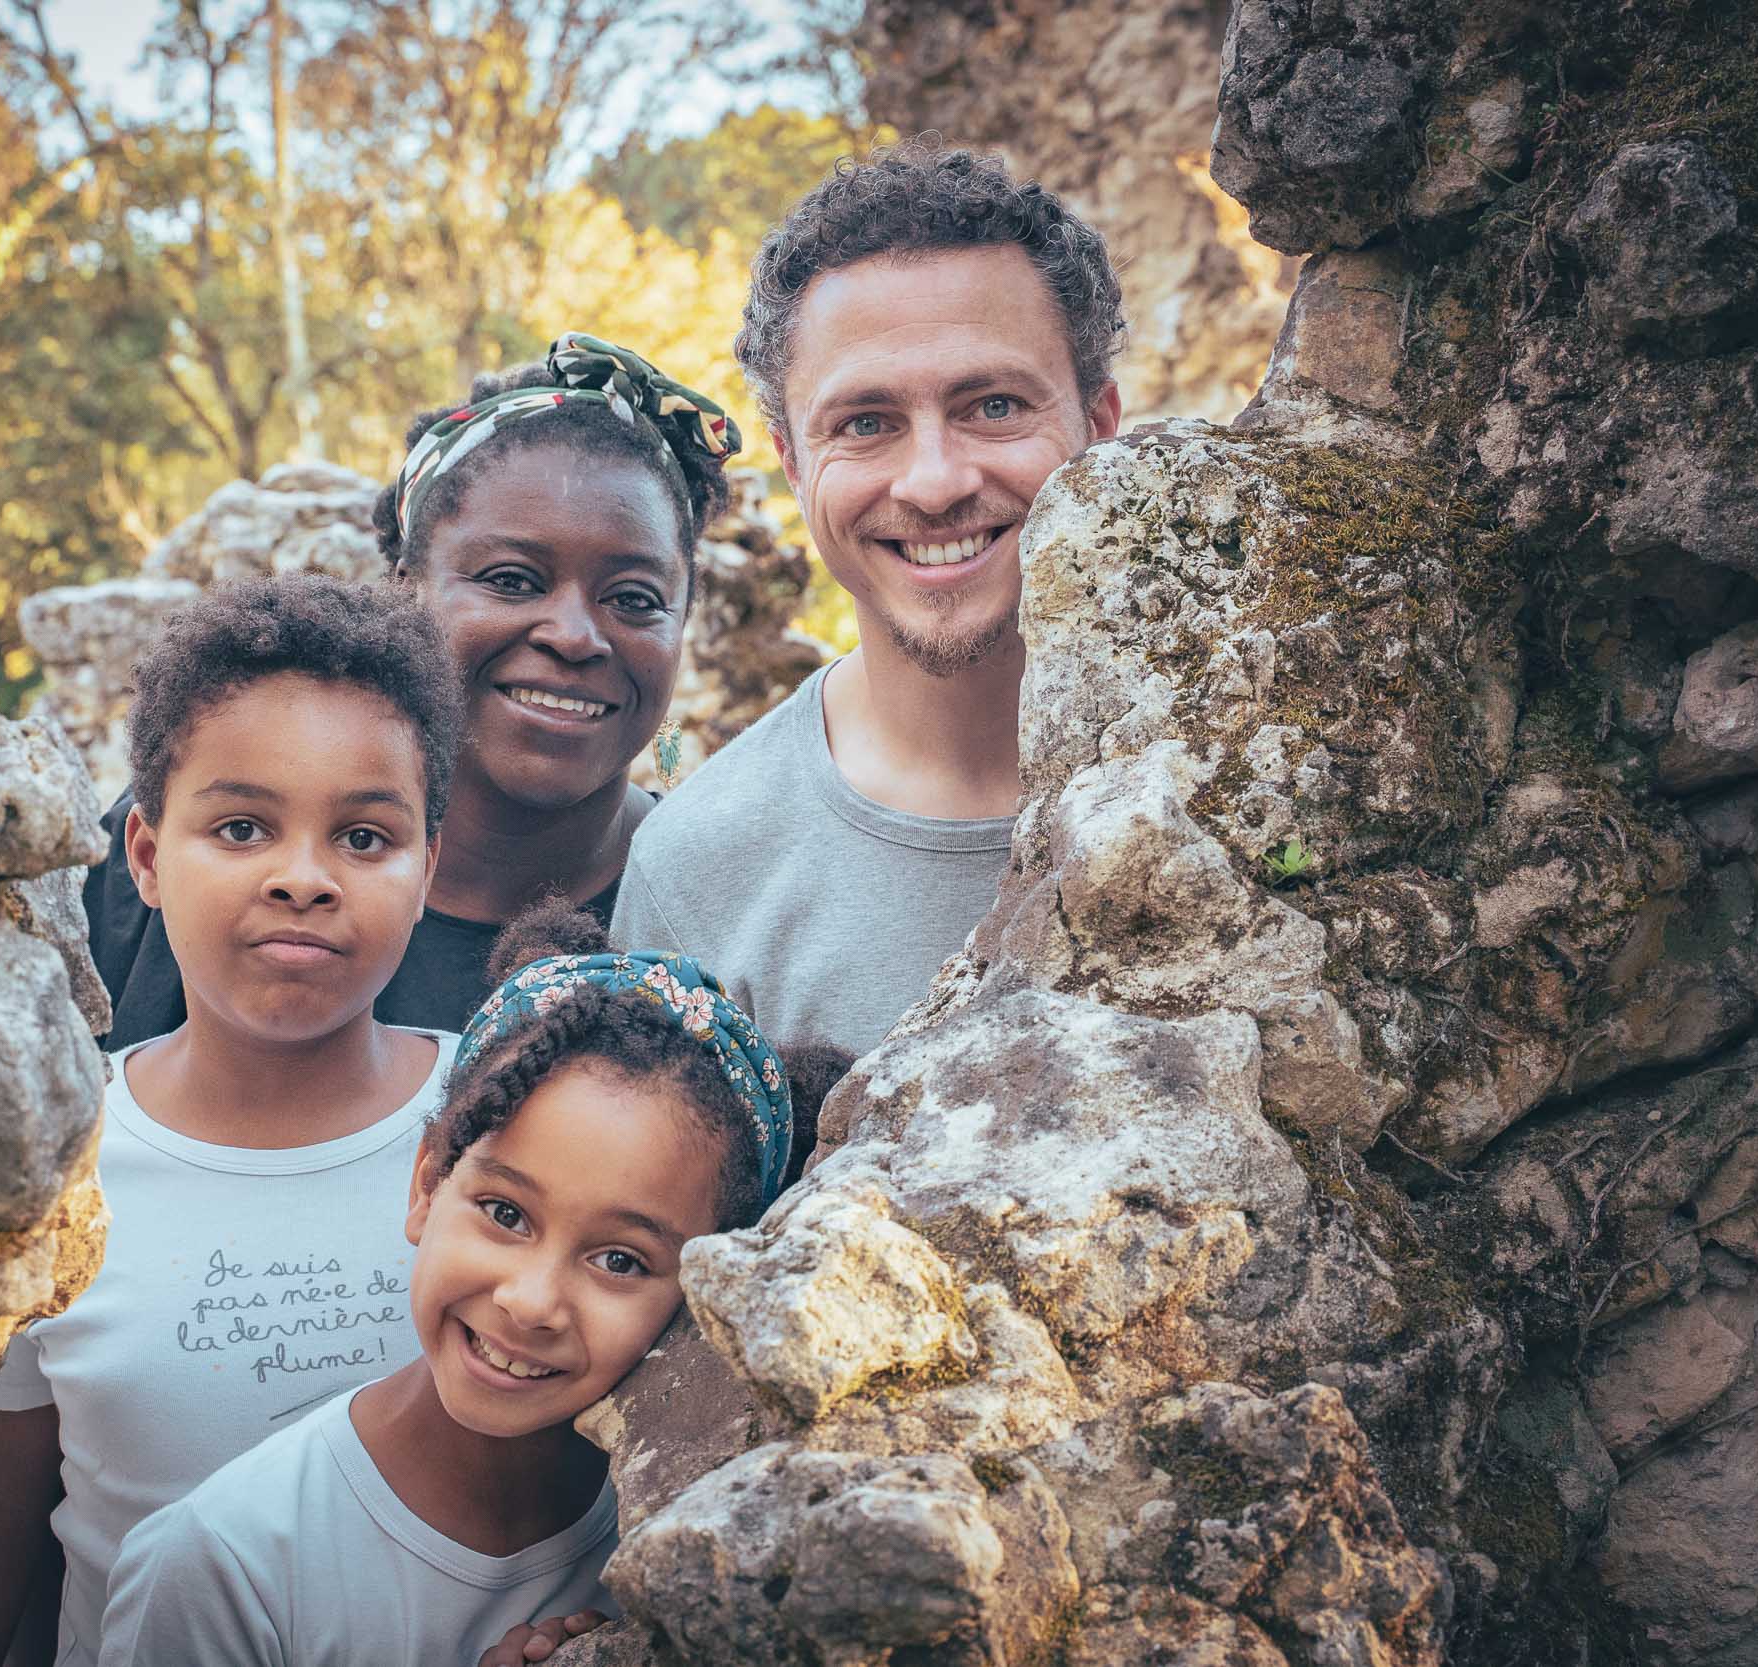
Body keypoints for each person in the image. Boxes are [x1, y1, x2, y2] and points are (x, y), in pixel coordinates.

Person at [0, 575, 467, 1667]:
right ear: (147, 856)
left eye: (364, 836)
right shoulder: (57, 1151)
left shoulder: (499, 1127)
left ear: (428, 867)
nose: (303, 877)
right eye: (242, 826)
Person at [97, 903, 847, 1667]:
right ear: (428, 1182)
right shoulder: (225, 1566)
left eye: (620, 1260)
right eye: (504, 1212)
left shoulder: (719, 1534)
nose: (529, 1299)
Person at [610, 141, 1127, 1059]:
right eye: (865, 424)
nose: (932, 483)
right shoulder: (697, 874)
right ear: (793, 460)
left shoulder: (1247, 772)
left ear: (1101, 423)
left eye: (994, 406)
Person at [88, 332, 737, 1045]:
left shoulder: (714, 910)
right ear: (406, 590)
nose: (576, 635)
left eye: (636, 597)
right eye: (512, 579)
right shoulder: (178, 856)